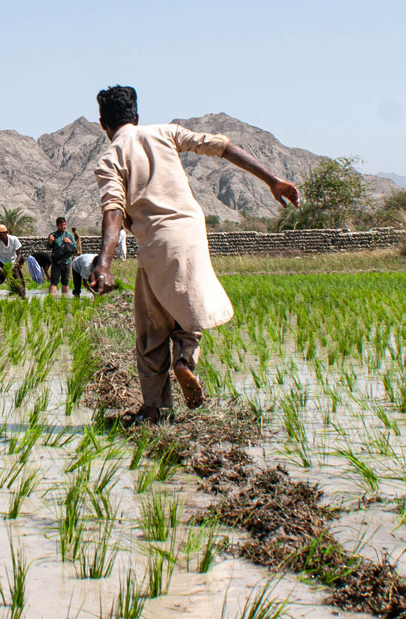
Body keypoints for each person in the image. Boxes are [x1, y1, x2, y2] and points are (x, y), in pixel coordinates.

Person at [89, 85, 300, 424]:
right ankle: (185, 360)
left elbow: (113, 210)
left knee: (152, 328)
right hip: (193, 231)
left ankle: (155, 409)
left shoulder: (111, 157)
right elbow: (222, 146)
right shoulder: (166, 132)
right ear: (137, 116)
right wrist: (272, 179)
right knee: (189, 307)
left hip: (157, 239)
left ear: (103, 124)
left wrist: (104, 263)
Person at [0, 224, 26, 298]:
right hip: (2, 262)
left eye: (1, 235)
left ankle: (23, 298)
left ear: (6, 232)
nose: (0, 237)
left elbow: (19, 254)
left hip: (13, 262)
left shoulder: (13, 239)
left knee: (19, 282)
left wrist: (15, 263)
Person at [47, 216, 77, 295]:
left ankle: (65, 300)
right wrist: (50, 242)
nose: (63, 227)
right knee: (54, 282)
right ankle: (51, 299)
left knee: (65, 282)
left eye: (64, 225)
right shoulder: (53, 235)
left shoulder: (69, 235)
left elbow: (75, 247)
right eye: (61, 225)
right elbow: (48, 247)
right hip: (56, 262)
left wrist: (69, 242)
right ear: (57, 225)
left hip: (67, 262)